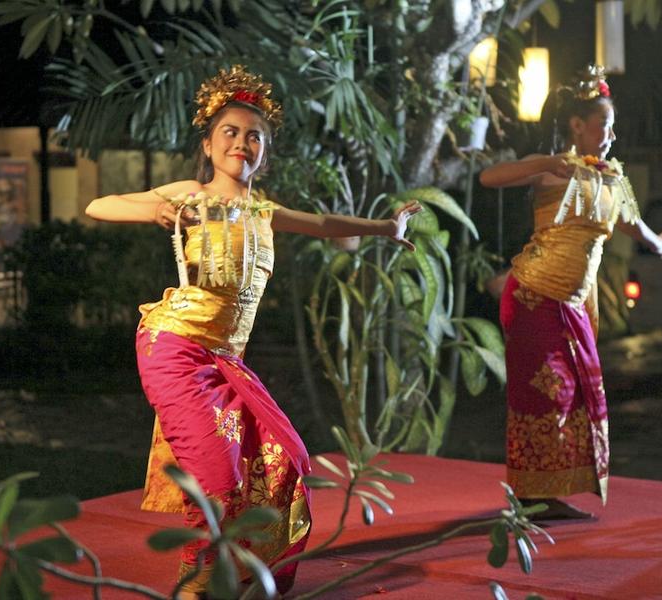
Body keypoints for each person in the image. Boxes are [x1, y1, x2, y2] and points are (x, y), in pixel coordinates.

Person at [85, 65, 422, 598]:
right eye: (230, 132)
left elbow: (324, 225)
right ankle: (199, 582)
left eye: (254, 136)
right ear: (208, 144)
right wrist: (159, 209)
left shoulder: (265, 211)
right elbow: (97, 205)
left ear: (265, 151)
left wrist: (385, 227)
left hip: (226, 360)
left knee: (282, 459)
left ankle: (241, 572)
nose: (242, 142)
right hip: (174, 346)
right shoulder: (192, 194)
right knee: (216, 473)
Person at [480, 65, 662, 519]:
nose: (610, 136)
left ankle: (548, 492)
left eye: (613, 127)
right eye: (603, 126)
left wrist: (661, 240)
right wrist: (543, 162)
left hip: (571, 305)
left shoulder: (612, 178)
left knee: (574, 396)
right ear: (577, 125)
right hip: (535, 296)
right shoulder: (554, 169)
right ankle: (534, 497)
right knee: (546, 394)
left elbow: (635, 227)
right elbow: (489, 178)